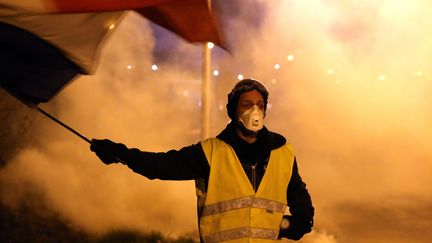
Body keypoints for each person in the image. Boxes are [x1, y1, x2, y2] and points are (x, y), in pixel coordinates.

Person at [90, 79, 314, 242]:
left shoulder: (283, 153)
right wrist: (120, 153)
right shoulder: (210, 152)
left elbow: (299, 197)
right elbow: (162, 165)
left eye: (260, 105)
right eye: (247, 104)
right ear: (233, 111)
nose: (255, 110)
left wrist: (289, 226)